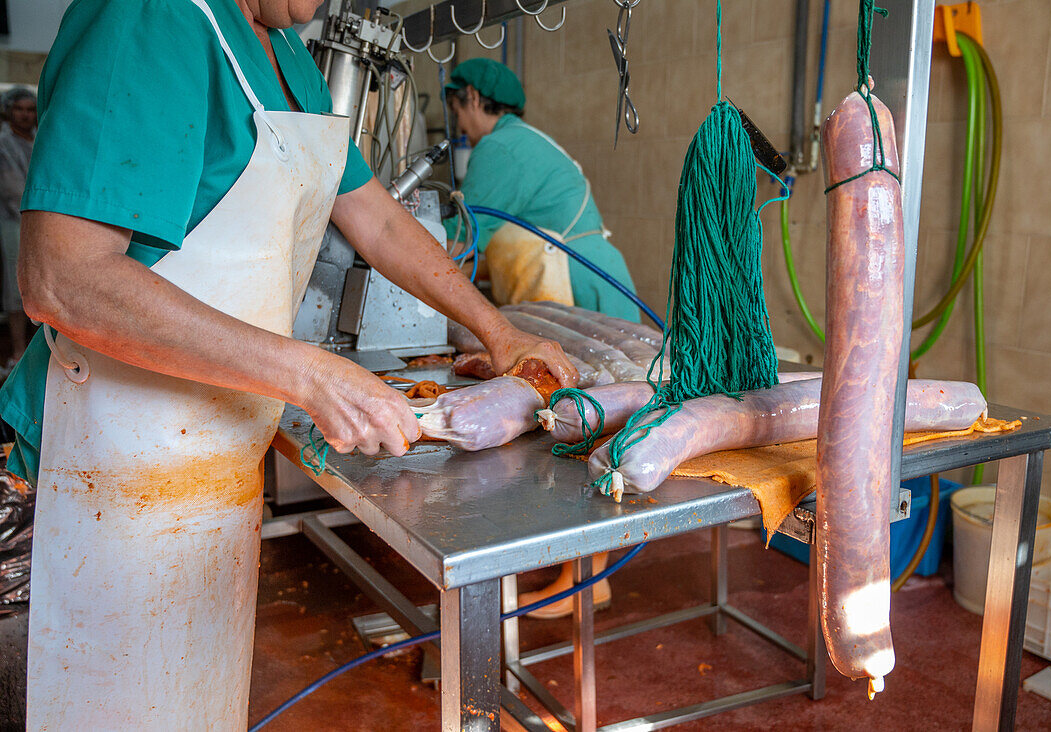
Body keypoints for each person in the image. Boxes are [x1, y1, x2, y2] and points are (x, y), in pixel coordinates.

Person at [1, 0, 576, 727]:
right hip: (86, 481)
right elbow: (63, 277)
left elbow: (378, 218)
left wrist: (498, 332)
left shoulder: (292, 60)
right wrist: (306, 373)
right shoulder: (148, 18)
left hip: (204, 472)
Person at [444, 58, 640, 322]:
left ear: (473, 97)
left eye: (457, 113)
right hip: (600, 275)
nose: (461, 129)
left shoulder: (499, 148)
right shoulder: (524, 138)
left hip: (576, 279)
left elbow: (460, 241)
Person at [0, 87, 36, 364]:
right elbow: (13, 189)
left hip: (40, 224)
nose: (25, 115)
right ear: (9, 110)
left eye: (30, 109)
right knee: (15, 285)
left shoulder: (39, 140)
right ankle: (17, 351)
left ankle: (36, 354)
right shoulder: (4, 144)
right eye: (19, 109)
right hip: (13, 222)